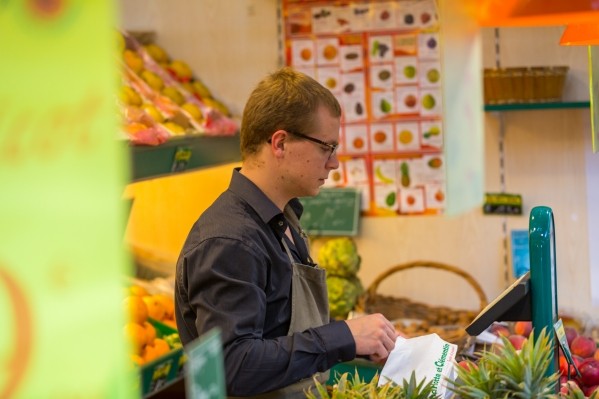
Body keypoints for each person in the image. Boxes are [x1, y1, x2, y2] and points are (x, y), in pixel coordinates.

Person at [175, 67, 399, 398]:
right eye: (327, 147)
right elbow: (232, 366)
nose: (334, 162)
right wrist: (342, 336)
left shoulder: (283, 217)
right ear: (280, 143)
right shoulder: (231, 241)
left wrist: (365, 338)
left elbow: (280, 326)